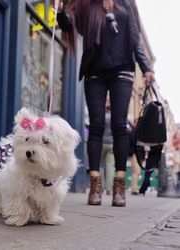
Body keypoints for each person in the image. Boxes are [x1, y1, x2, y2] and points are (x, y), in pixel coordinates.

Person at [54, 0, 155, 206]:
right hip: (95, 72)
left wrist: (146, 68)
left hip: (123, 71)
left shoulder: (126, 4)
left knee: (119, 125)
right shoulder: (86, 5)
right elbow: (67, 25)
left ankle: (119, 187)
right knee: (97, 125)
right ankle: (95, 186)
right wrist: (61, 10)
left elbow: (135, 39)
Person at [100, 97, 115, 195]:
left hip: (101, 143)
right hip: (112, 144)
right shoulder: (114, 118)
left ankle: (100, 187)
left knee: (99, 165)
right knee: (110, 166)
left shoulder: (102, 117)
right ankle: (109, 188)